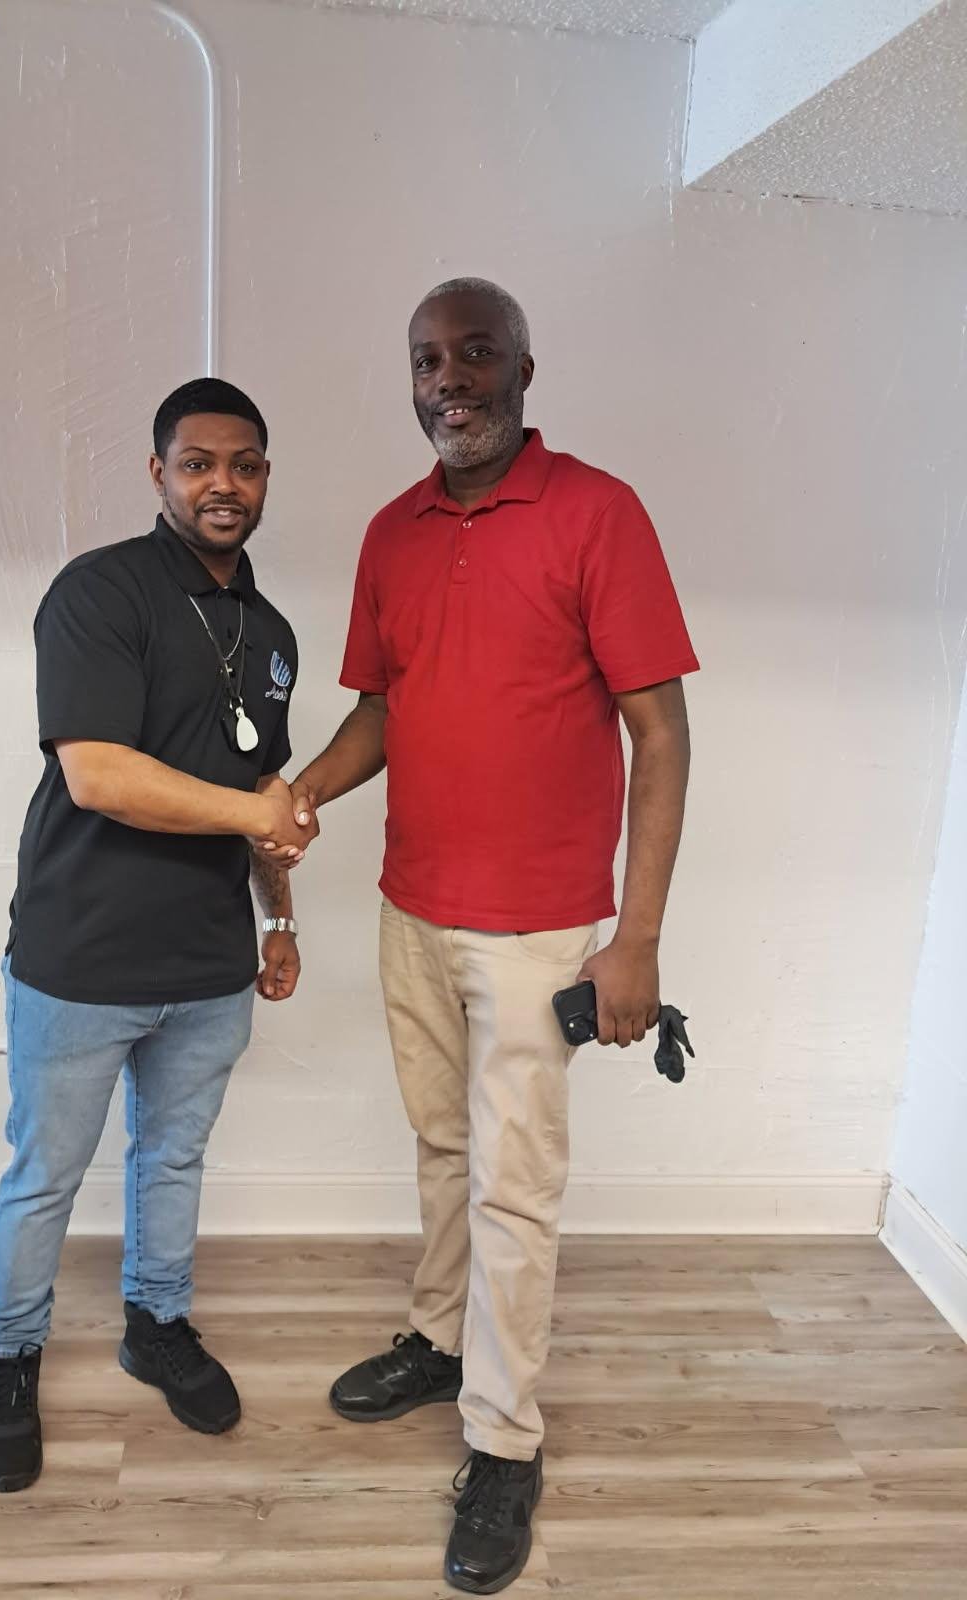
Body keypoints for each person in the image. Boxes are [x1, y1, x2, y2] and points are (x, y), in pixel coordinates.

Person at [266, 279, 697, 1593]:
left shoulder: (598, 513)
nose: (449, 379)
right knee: (447, 1145)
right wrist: (302, 794)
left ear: (523, 367)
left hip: (542, 934)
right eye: (427, 360)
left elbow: (662, 733)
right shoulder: (394, 532)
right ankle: (443, 1339)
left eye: (475, 355)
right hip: (412, 908)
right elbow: (386, 711)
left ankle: (504, 1443)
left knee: (517, 1181)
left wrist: (638, 941)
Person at [0, 378, 316, 1494]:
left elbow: (263, 779)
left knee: (172, 1159)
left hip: (210, 964)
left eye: (246, 464)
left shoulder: (270, 633)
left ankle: (156, 1324)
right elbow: (100, 773)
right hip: (81, 956)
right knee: (45, 1177)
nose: (225, 483)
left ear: (265, 478)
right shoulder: (99, 591)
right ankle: (7, 1354)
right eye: (200, 462)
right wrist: (260, 811)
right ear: (159, 472)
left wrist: (278, 915)